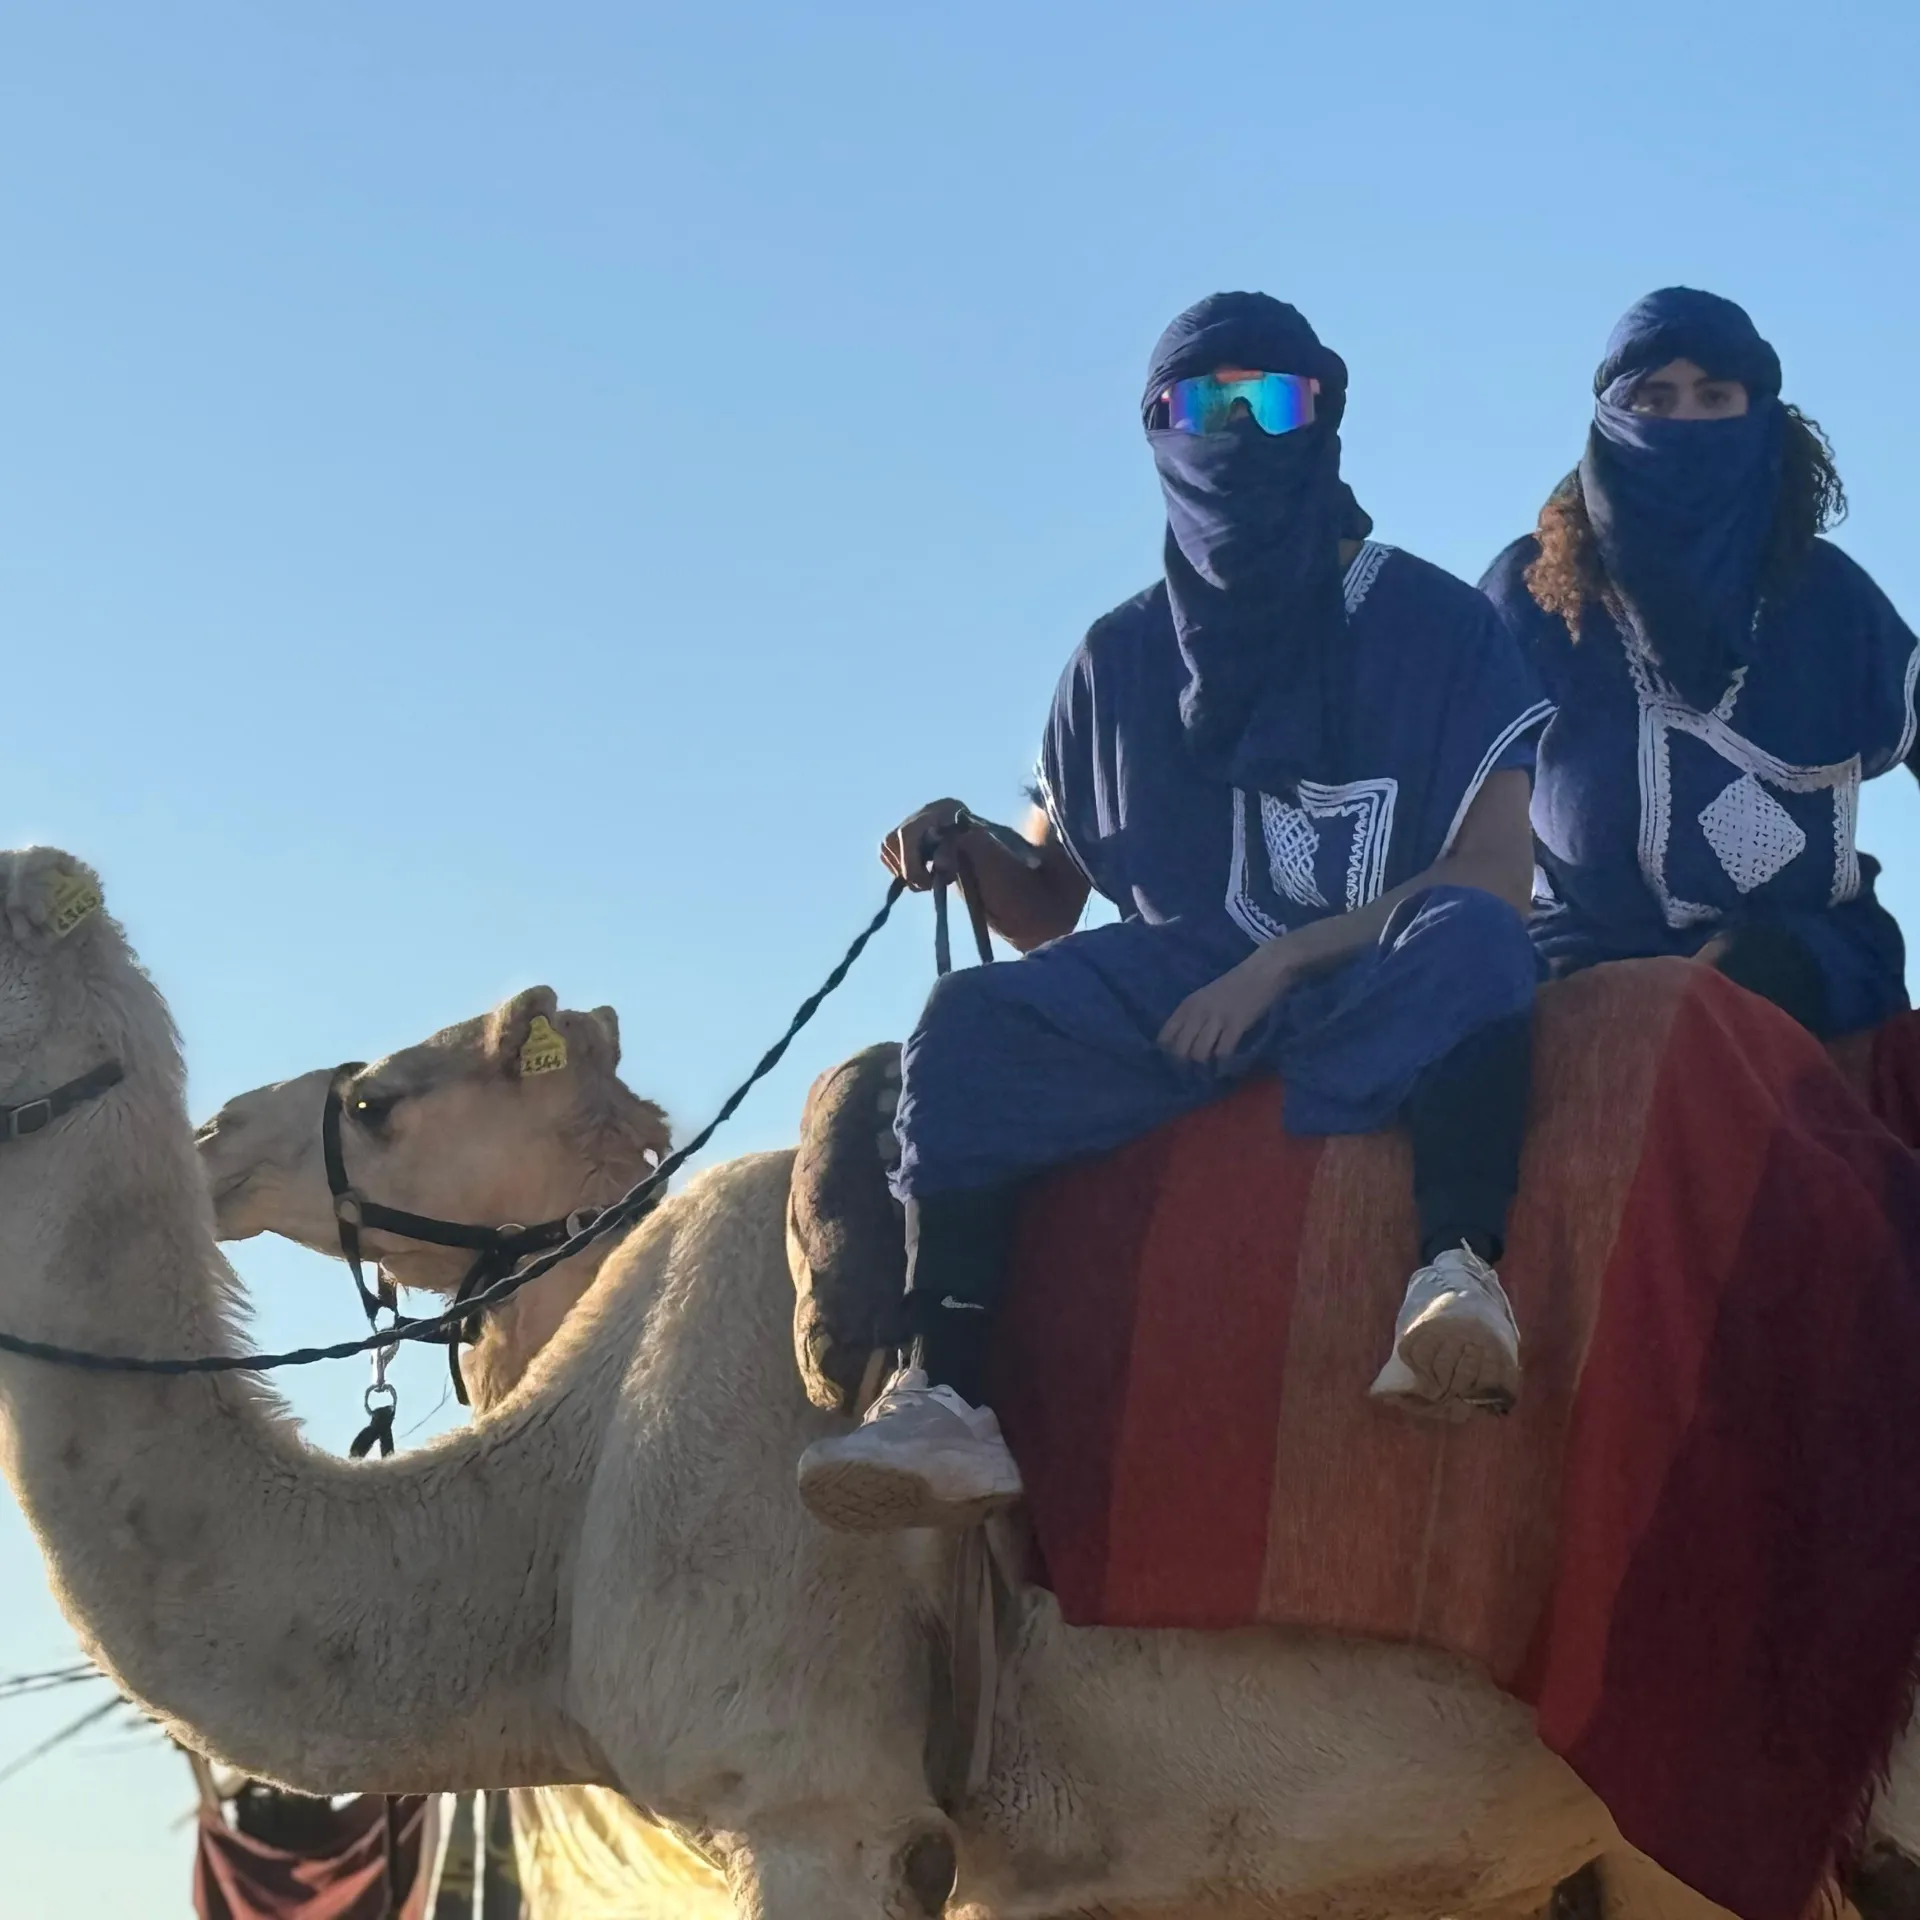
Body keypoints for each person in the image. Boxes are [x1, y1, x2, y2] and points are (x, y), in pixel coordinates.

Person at [797, 292, 1553, 1536]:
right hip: (1175, 990)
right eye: (1208, 403)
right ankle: (946, 1394)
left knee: (1471, 944)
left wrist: (1279, 968)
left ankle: (1456, 1276)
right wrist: (969, 844)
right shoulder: (1113, 664)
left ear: (1327, 417)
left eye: (1276, 399)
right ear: (1157, 429)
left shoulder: (1438, 626)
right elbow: (1048, 905)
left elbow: (1492, 879)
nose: (1241, 428)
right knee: (971, 1021)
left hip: (1376, 975)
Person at [1481, 287, 1919, 1039]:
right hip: (1582, 960)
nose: (1684, 420)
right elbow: (1436, 804)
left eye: (1714, 396)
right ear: (1613, 421)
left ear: (1759, 418)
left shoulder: (1831, 599)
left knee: (1738, 989)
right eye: (1655, 398)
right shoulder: (1531, 602)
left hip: (1801, 962)